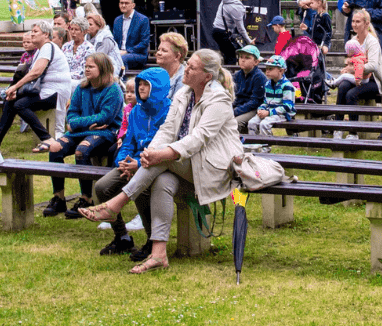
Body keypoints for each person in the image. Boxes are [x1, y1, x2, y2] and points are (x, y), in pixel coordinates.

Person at [80, 49, 243, 275]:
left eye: (192, 67)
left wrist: (157, 155)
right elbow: (167, 129)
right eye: (188, 64)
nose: (186, 69)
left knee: (161, 161)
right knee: (162, 181)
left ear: (207, 76)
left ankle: (117, 203)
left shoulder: (219, 99)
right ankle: (158, 254)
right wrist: (150, 152)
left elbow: (198, 139)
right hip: (186, 163)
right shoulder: (184, 93)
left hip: (214, 168)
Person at [90, 67, 173, 258]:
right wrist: (122, 162)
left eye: (146, 85)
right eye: (140, 84)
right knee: (103, 187)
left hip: (155, 164)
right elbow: (128, 142)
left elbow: (163, 144)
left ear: (158, 87)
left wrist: (137, 164)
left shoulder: (170, 111)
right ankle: (122, 238)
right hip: (132, 163)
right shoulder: (136, 111)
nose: (141, 89)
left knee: (142, 190)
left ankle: (153, 242)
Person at [37, 53, 125, 217]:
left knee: (81, 151)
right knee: (55, 147)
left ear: (103, 68)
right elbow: (71, 115)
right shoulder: (81, 88)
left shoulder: (113, 90)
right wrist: (83, 124)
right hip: (82, 131)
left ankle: (86, 198)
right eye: (86, 66)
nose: (86, 69)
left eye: (91, 66)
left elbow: (105, 118)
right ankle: (59, 198)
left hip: (107, 133)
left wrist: (77, 123)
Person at [0, 23, 72, 150]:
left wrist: (15, 88)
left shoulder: (48, 47)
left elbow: (36, 73)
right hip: (44, 90)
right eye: (31, 31)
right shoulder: (40, 50)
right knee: (11, 101)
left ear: (46, 34)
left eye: (35, 31)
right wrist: (17, 92)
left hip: (56, 93)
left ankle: (46, 138)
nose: (32, 34)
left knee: (20, 104)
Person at [334, 8, 382, 131]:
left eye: (358, 22)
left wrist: (353, 69)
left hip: (373, 81)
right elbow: (351, 60)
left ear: (366, 24)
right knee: (343, 87)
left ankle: (353, 131)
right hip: (357, 78)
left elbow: (373, 66)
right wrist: (347, 68)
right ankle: (337, 127)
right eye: (353, 21)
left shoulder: (372, 42)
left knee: (351, 94)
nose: (354, 24)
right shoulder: (353, 41)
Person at [211, 0, 259, 64]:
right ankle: (229, 75)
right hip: (222, 33)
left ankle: (226, 73)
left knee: (227, 55)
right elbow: (240, 28)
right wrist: (249, 41)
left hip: (216, 30)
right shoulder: (236, 7)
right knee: (231, 57)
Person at [248, 56, 295, 138]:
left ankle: (265, 147)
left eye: (271, 69)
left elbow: (288, 106)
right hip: (269, 111)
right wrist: (261, 109)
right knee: (252, 123)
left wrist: (269, 113)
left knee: (264, 124)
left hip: (282, 114)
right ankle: (253, 145)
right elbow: (266, 102)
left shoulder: (287, 86)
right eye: (267, 69)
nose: (267, 71)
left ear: (281, 70)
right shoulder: (267, 84)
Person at [112, 0, 152, 70]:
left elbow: (144, 42)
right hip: (119, 53)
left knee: (122, 58)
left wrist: (127, 51)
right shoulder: (117, 20)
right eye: (121, 3)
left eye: (126, 3)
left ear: (133, 5)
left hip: (138, 54)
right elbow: (114, 41)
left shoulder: (143, 20)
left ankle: (122, 80)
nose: (123, 5)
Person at [232, 44, 266, 131]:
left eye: (247, 58)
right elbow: (232, 96)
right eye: (241, 57)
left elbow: (255, 102)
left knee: (234, 123)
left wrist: (235, 111)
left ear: (256, 62)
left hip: (255, 109)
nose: (243, 60)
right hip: (239, 107)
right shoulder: (237, 75)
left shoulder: (259, 77)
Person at [85, 11, 125, 78]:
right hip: (95, 67)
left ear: (98, 26)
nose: (87, 27)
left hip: (112, 69)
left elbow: (99, 59)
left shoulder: (106, 38)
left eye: (90, 24)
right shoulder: (86, 37)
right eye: (87, 25)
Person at [62, 18, 94, 83]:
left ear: (84, 31)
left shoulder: (89, 49)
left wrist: (65, 76)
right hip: (64, 79)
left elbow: (83, 72)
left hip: (80, 81)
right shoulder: (66, 46)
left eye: (76, 29)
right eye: (71, 29)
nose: (73, 32)